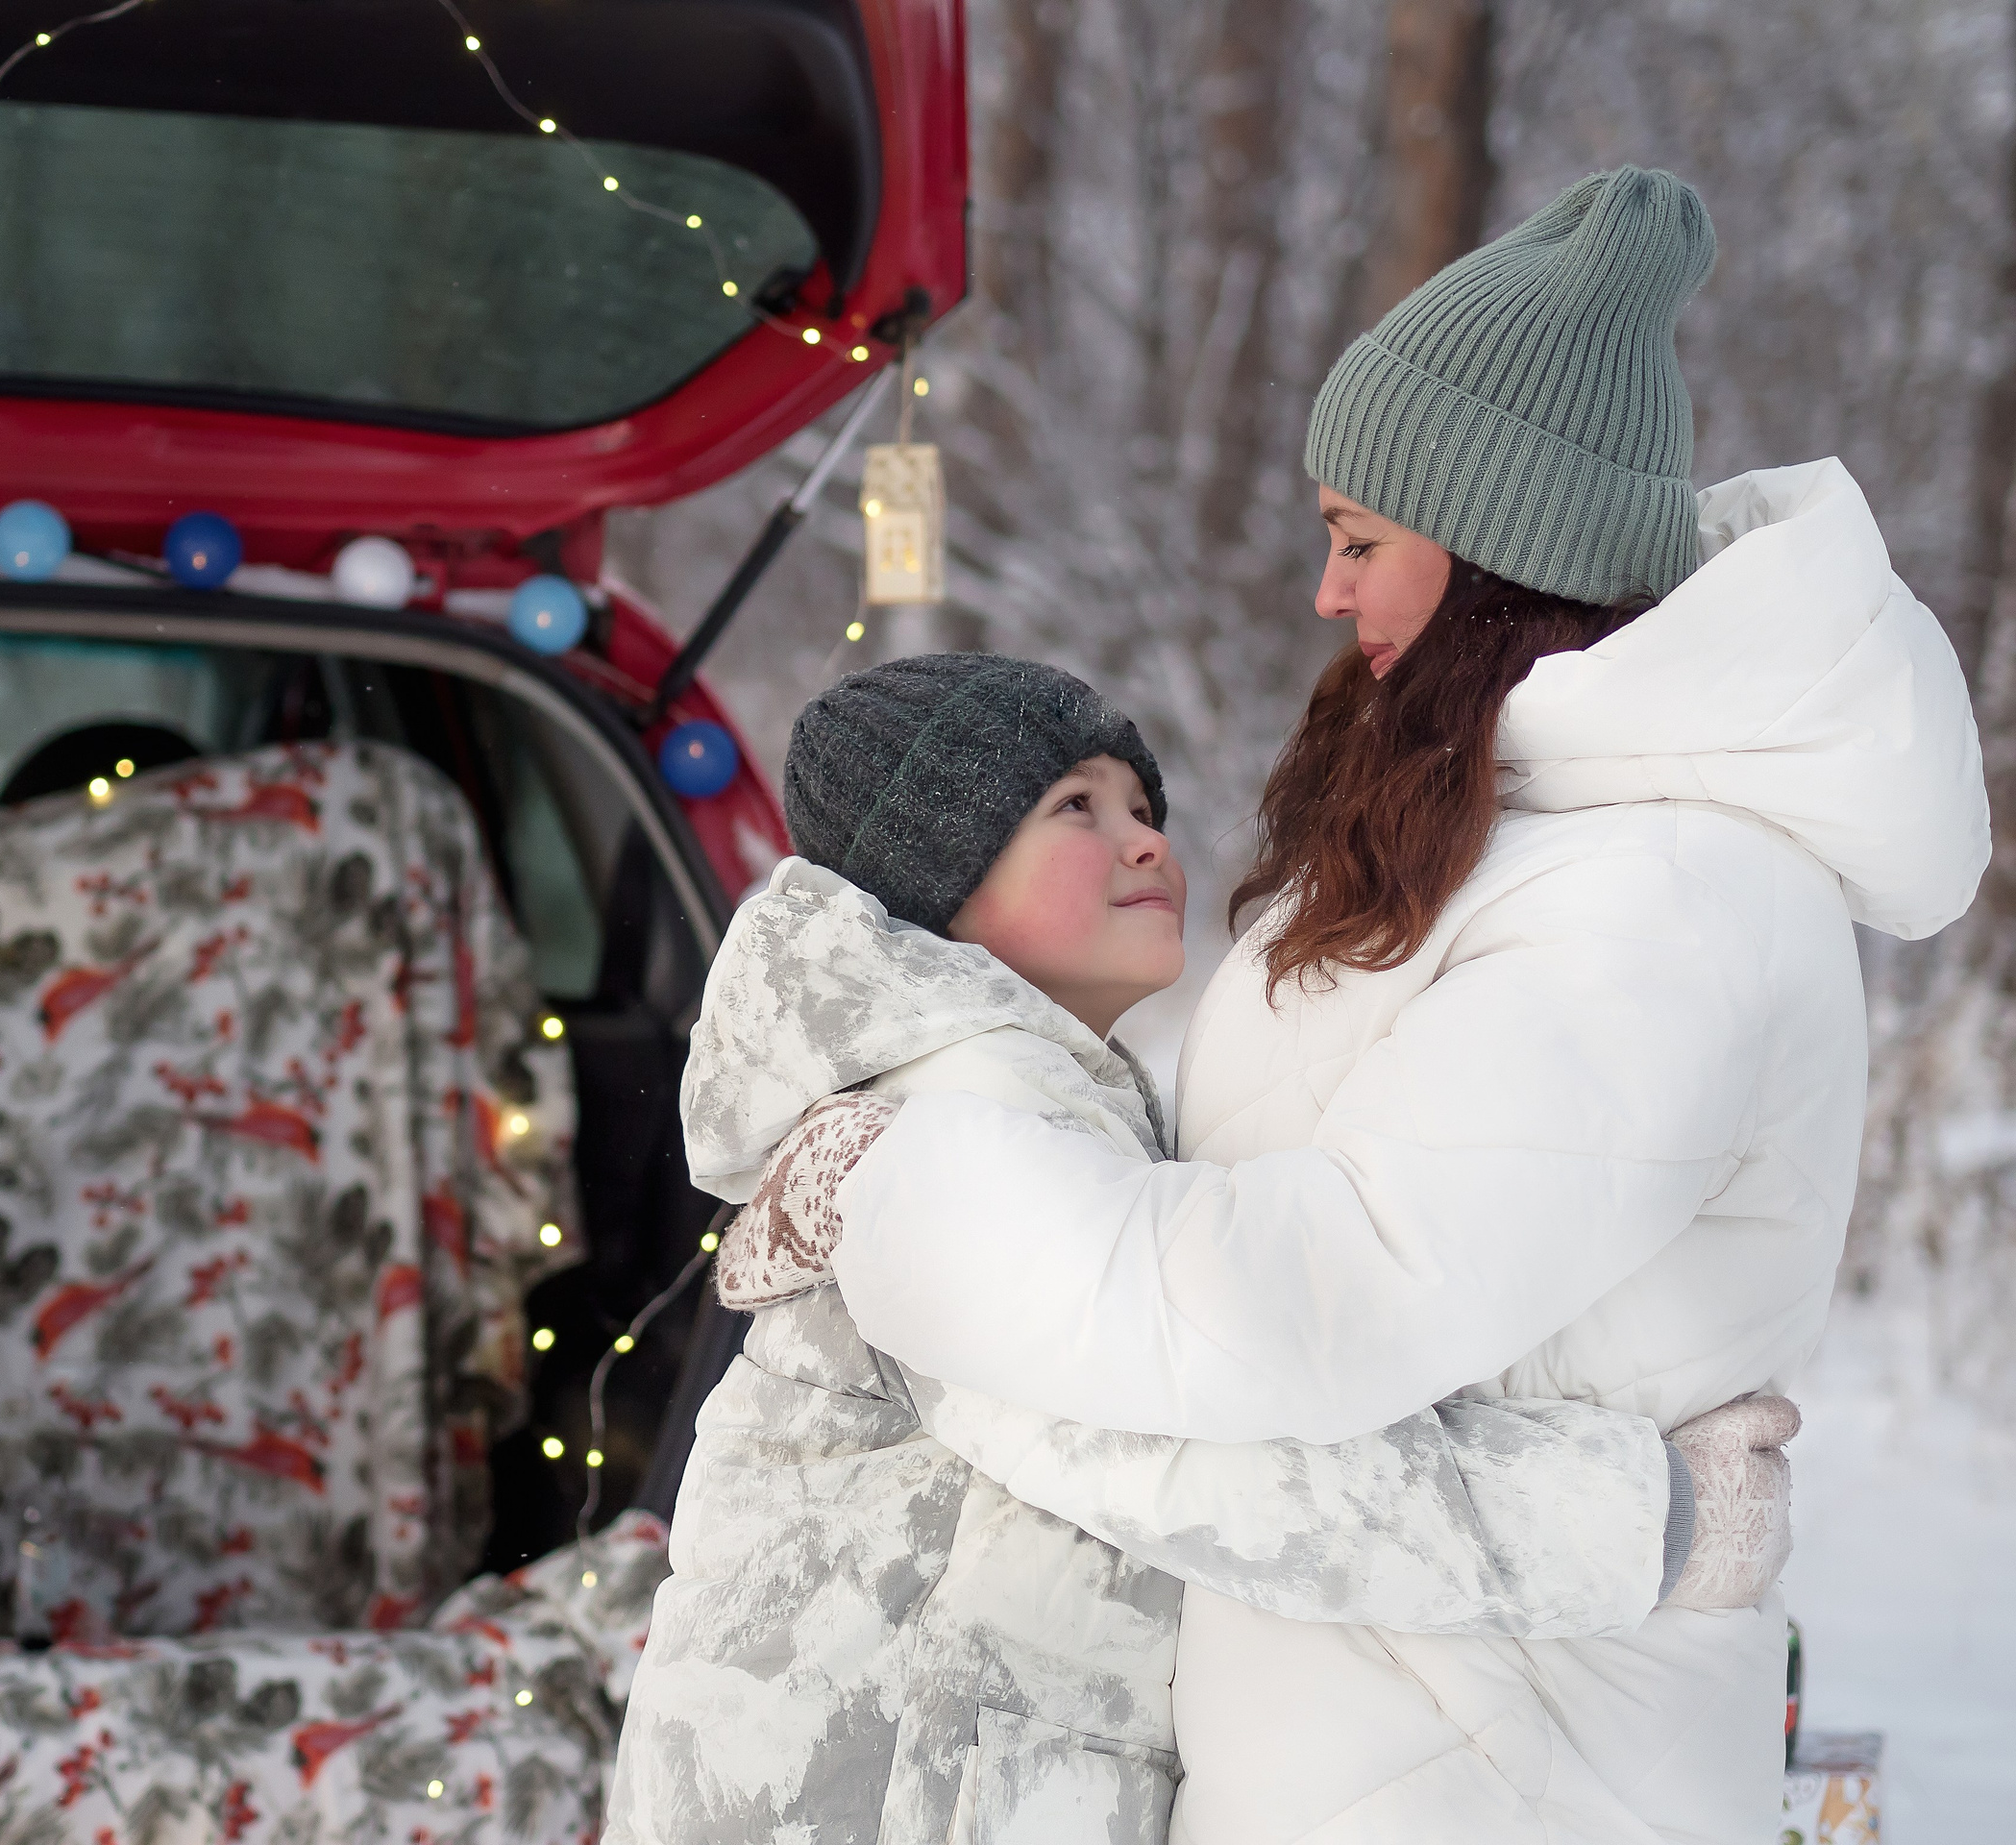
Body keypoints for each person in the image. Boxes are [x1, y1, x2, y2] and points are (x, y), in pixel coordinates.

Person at [733, 167, 1991, 1842]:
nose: (1326, 594)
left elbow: (1296, 1305)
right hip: (1363, 1746)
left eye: (1360, 542)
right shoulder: (1501, 842)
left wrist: (893, 1203)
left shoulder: (1667, 901)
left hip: (1509, 1782)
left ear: (1500, 556)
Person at [604, 654, 1797, 1845]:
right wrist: (1642, 1519)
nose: (1145, 844)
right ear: (934, 870)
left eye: (1144, 807)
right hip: (857, 1789)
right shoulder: (948, 1125)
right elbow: (1164, 1453)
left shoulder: (1031, 1100)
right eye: (1076, 807)